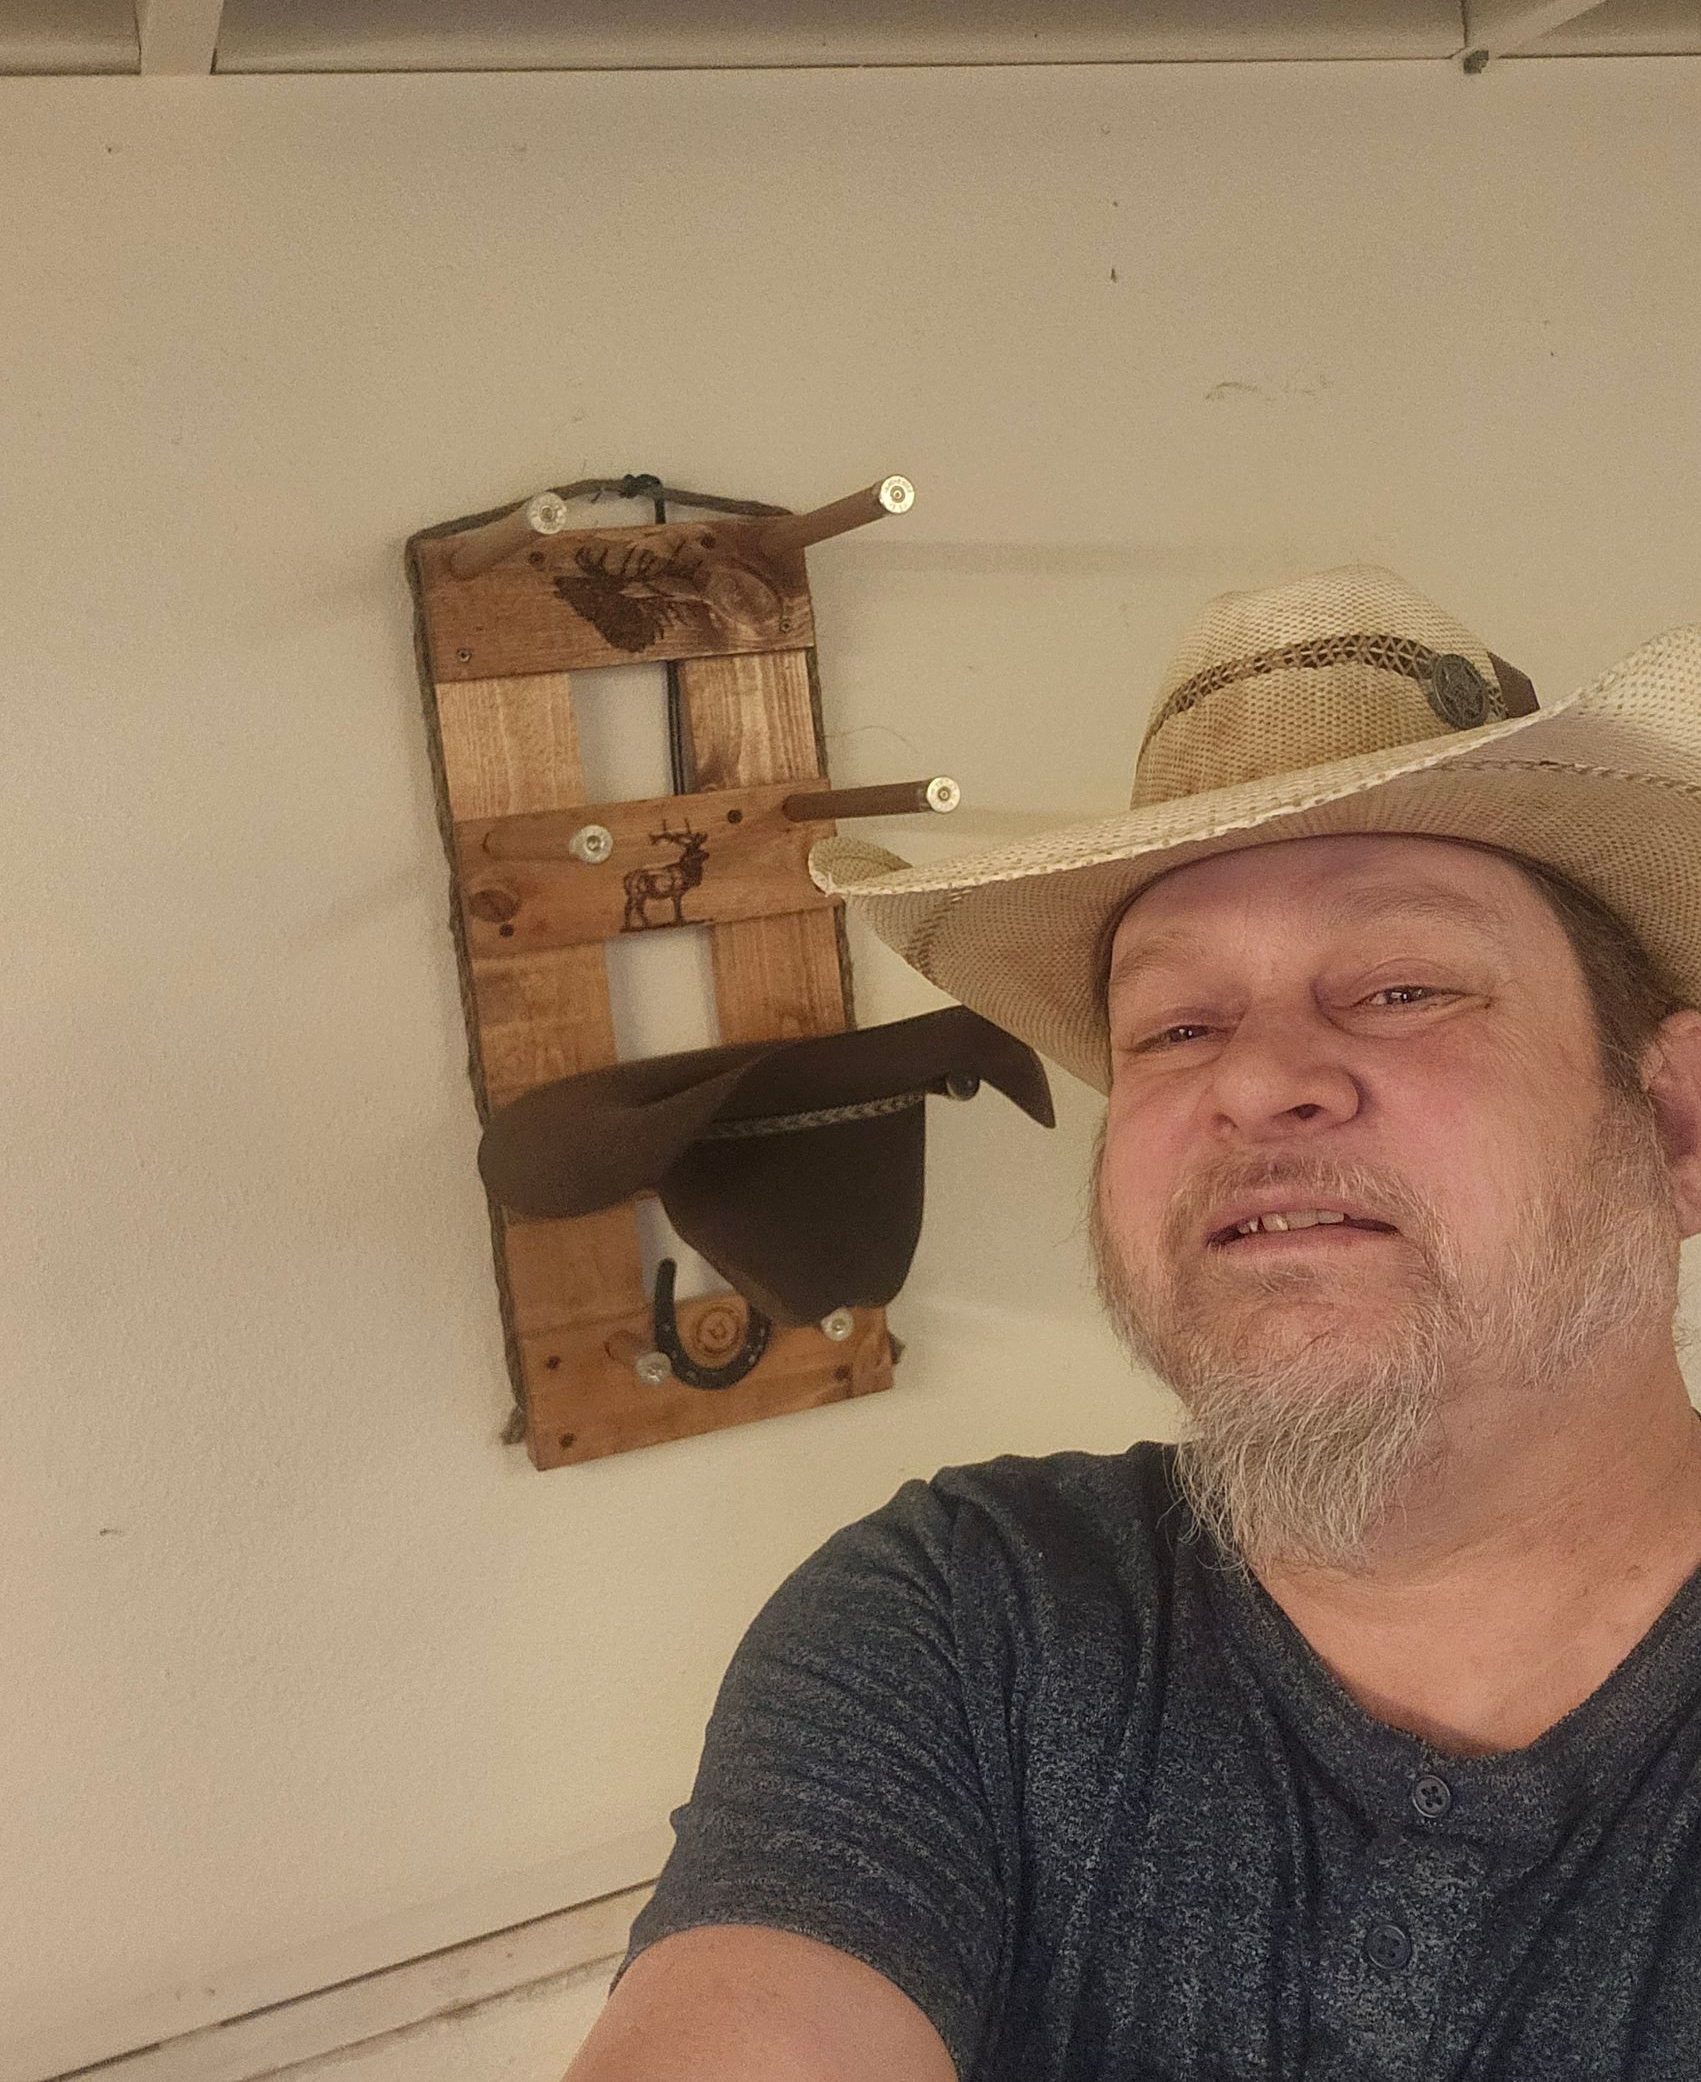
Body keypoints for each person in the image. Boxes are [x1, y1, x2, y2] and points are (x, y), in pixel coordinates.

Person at [565, 565, 1701, 2079]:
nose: (1250, 1080)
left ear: (1676, 1125)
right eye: (1174, 1027)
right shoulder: (967, 1621)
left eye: (1400, 987)